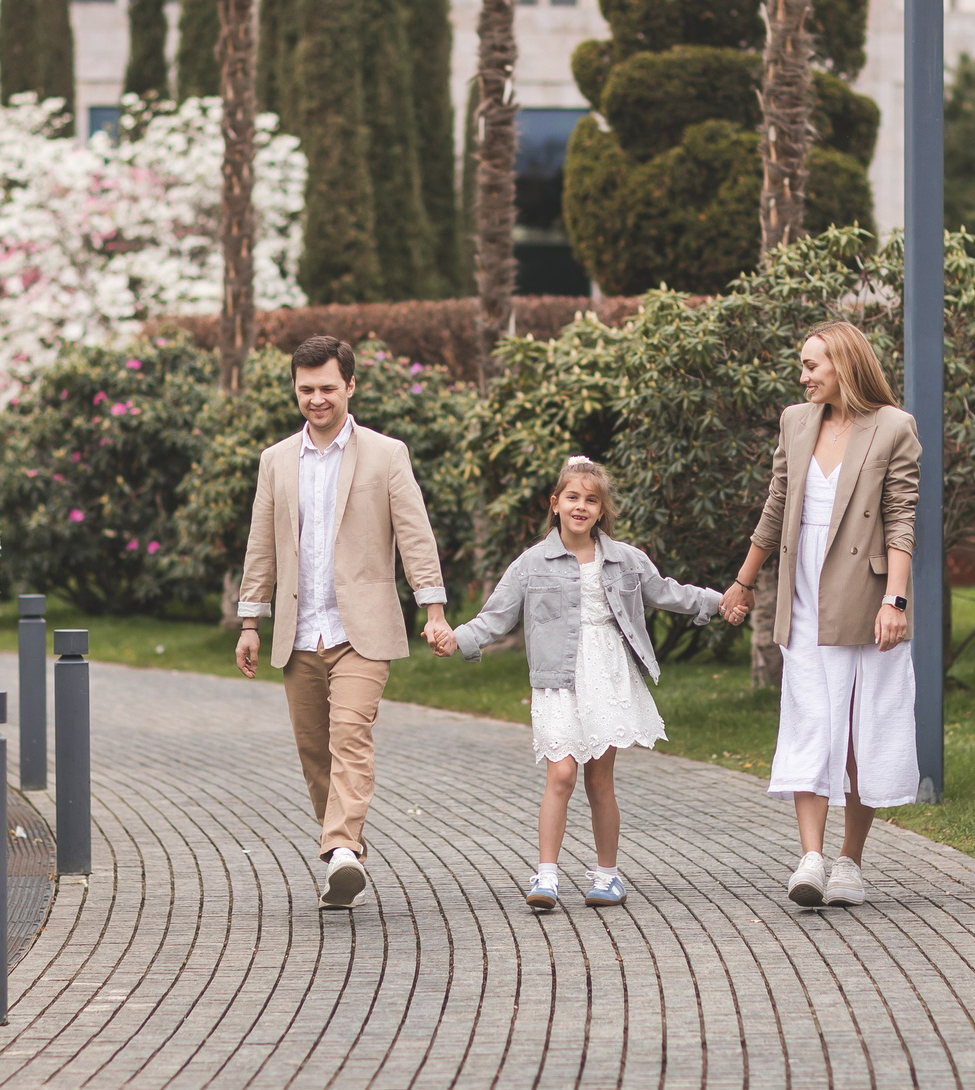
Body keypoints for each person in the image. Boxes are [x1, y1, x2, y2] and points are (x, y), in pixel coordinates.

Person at [436, 457, 727, 909]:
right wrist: (457, 639)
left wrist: (718, 600)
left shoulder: (625, 559)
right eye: (572, 497)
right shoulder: (532, 564)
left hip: (608, 674)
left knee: (599, 780)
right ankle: (547, 875)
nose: (581, 506)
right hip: (557, 678)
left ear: (601, 509)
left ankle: (607, 875)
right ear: (555, 504)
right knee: (561, 773)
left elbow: (666, 591)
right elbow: (497, 615)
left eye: (591, 500)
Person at [236, 335, 454, 909]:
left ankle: (337, 847)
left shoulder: (386, 454)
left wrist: (432, 607)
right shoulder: (276, 461)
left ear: (350, 386)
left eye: (327, 387)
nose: (316, 399)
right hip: (298, 630)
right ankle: (346, 856)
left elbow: (414, 532)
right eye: (306, 389)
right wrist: (250, 622)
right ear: (295, 389)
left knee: (349, 737)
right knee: (316, 756)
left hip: (363, 628)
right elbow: (262, 545)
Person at [719, 322, 921, 908]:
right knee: (810, 719)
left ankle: (850, 864)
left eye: (812, 366)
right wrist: (744, 580)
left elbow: (902, 518)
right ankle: (810, 858)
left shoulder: (893, 427)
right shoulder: (796, 421)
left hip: (867, 591)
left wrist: (896, 601)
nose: (803, 376)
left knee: (865, 732)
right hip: (803, 591)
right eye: (802, 366)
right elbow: (777, 504)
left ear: (844, 365)